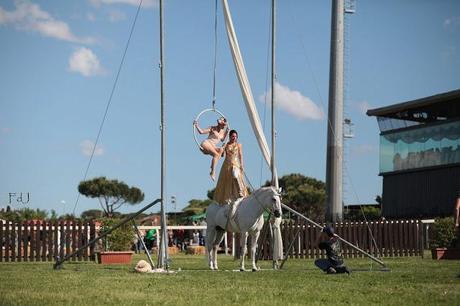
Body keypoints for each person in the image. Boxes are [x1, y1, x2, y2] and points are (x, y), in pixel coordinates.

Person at [213, 129, 248, 205]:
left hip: (236, 164)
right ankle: (228, 198)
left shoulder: (239, 145)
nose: (234, 138)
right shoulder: (226, 145)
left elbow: (240, 155)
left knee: (236, 175)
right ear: (230, 137)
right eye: (233, 136)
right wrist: (221, 149)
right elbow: (222, 155)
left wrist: (242, 165)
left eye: (235, 136)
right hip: (227, 164)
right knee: (227, 181)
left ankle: (240, 192)